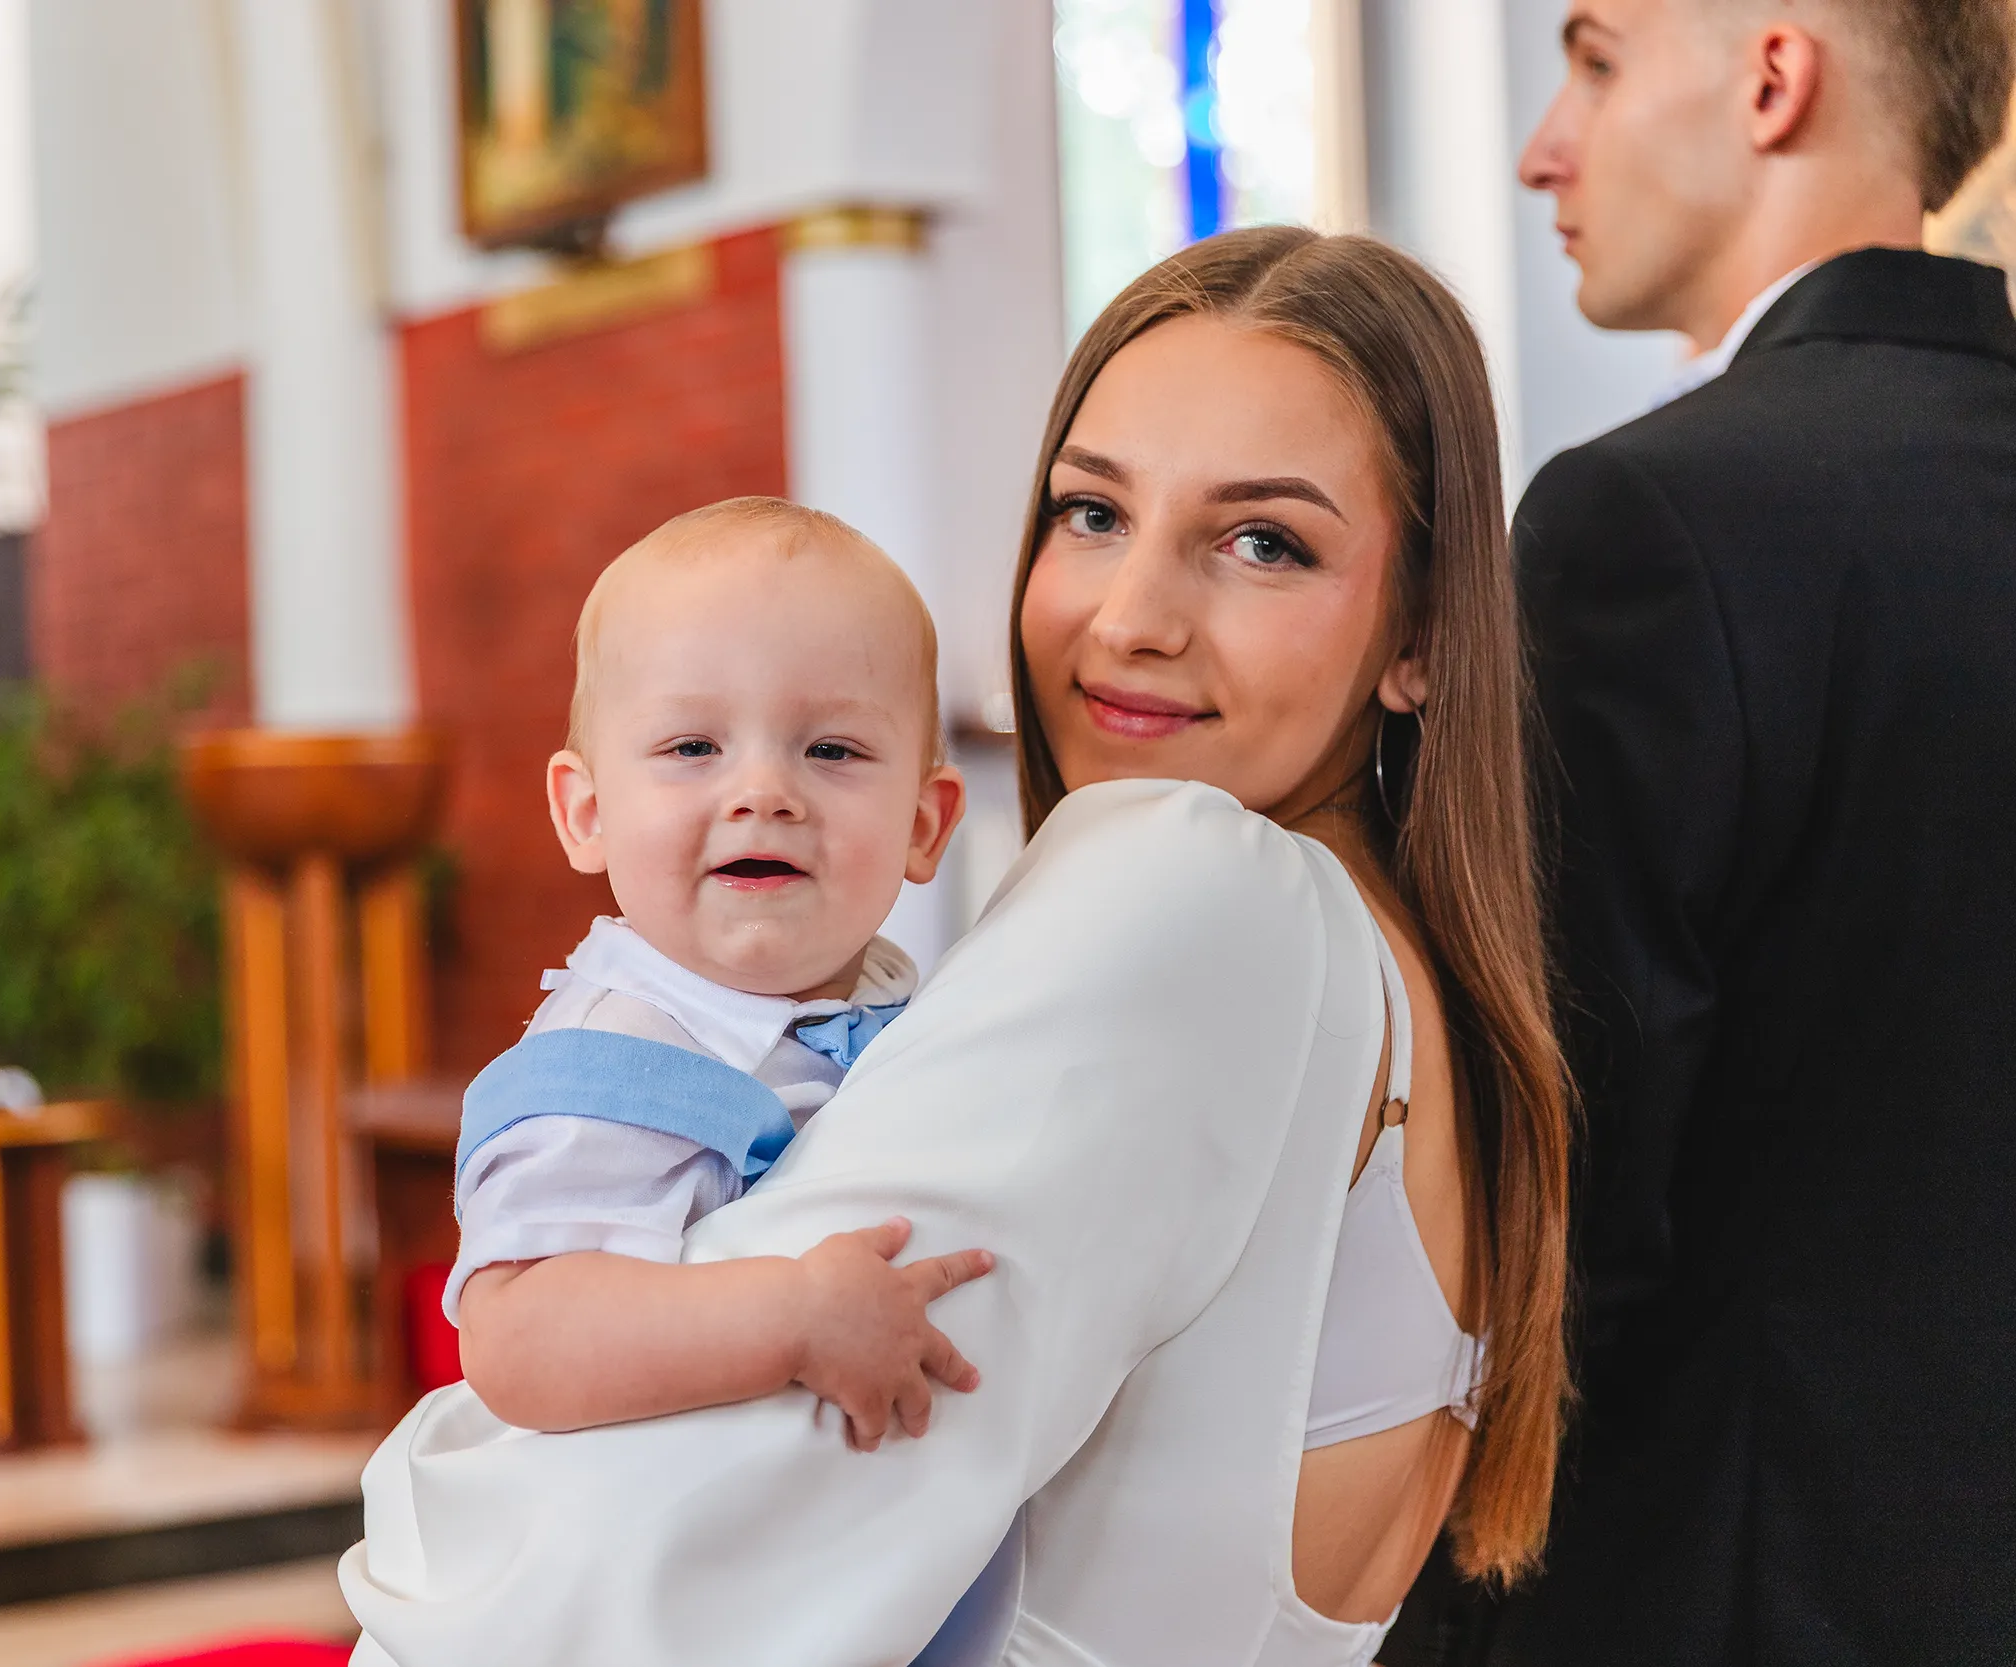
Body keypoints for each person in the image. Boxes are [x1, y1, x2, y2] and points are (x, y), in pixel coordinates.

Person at [340, 227, 1571, 1667]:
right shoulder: (1404, 979)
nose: (1130, 619)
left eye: (1261, 542)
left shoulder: (1198, 887)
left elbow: (639, 1550)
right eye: (1091, 514)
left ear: (1421, 630)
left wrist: (431, 1505)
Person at [1386, 2, 2016, 1663]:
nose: (1544, 143)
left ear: (1771, 74)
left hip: (1733, 1578)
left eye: (1592, 58)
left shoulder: (1656, 517)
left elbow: (1570, 1185)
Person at [449, 496, 993, 1453]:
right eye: (693, 747)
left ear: (923, 824)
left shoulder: (920, 1008)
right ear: (586, 812)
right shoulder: (614, 1059)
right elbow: (519, 1334)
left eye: (832, 749)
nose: (763, 793)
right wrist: (793, 1317)